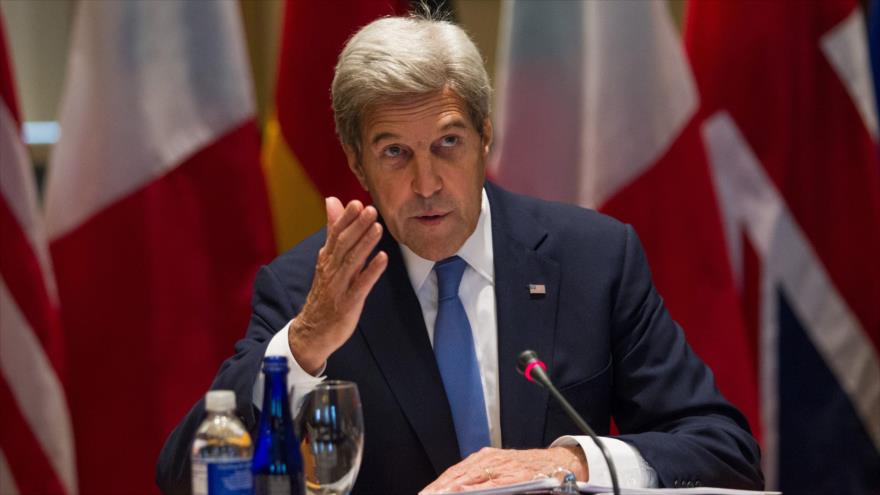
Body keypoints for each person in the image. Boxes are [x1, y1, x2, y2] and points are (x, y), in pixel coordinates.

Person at [157, 12, 763, 494]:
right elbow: (185, 475)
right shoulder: (305, 290)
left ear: (486, 137)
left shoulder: (593, 260)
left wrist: (571, 461)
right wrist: (306, 342)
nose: (426, 183)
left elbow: (722, 448)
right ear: (356, 163)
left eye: (448, 143)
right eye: (395, 152)